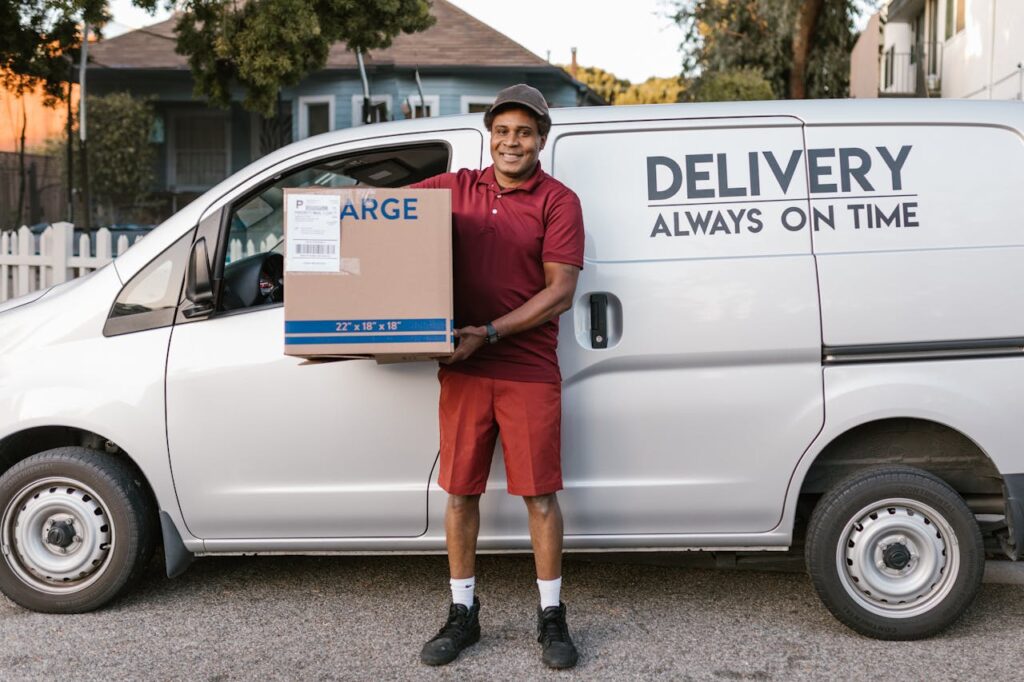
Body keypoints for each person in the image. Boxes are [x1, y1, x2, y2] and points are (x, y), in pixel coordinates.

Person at [411, 84, 585, 669]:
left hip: (527, 369)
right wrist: (324, 210)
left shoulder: (558, 201)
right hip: (462, 368)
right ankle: (463, 613)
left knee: (540, 495)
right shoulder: (455, 188)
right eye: (503, 131)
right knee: (461, 492)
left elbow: (560, 292)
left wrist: (487, 332)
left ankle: (552, 616)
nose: (513, 142)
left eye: (525, 132)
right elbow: (383, 220)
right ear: (490, 135)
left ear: (542, 139)